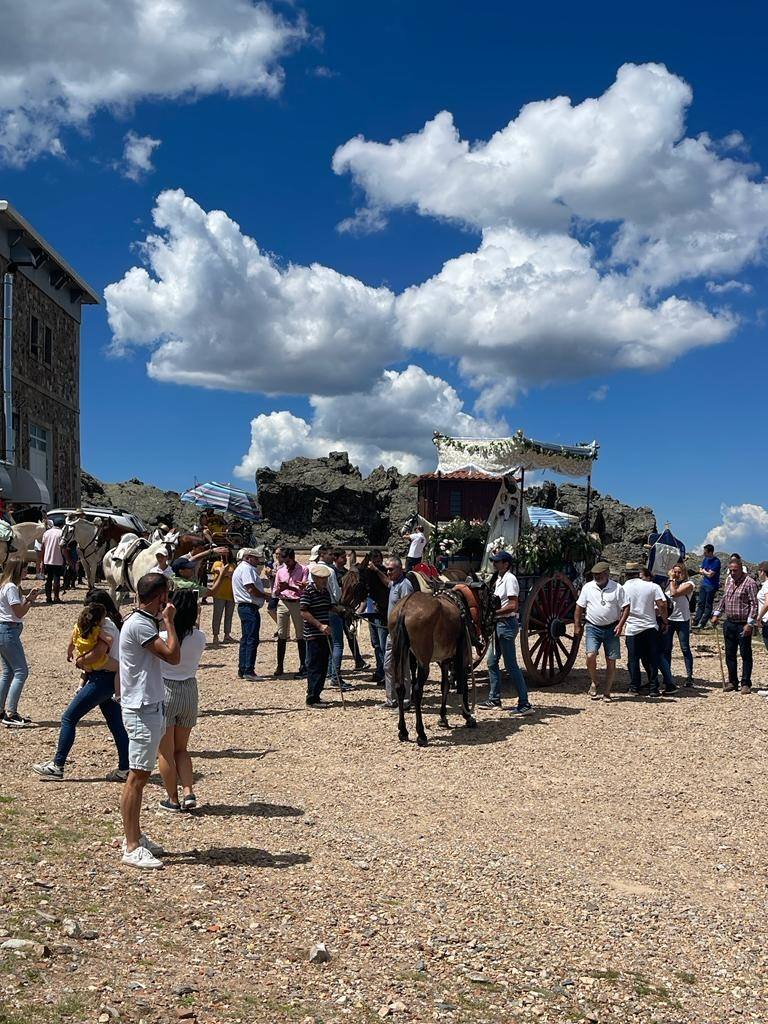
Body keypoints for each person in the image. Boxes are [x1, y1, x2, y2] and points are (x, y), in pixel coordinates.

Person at [119, 572, 181, 869]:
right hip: (141, 707)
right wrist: (169, 621)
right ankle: (131, 846)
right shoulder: (142, 625)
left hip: (147, 704)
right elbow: (172, 656)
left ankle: (136, 836)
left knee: (140, 776)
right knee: (137, 777)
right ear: (160, 598)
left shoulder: (139, 620)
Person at [32, 590, 129, 781]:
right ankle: (126, 767)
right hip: (107, 678)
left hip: (102, 679)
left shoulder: (105, 626)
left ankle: (57, 766)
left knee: (69, 717)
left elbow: (99, 654)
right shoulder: (105, 624)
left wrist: (80, 661)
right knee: (116, 723)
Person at [157, 589, 206, 812]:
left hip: (166, 688)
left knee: (165, 751)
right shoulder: (200, 637)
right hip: (189, 689)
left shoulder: (164, 636)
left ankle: (172, 798)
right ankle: (188, 791)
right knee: (182, 750)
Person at [479, 550, 533, 714]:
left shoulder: (510, 579)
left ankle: (524, 703)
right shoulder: (499, 579)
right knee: (491, 662)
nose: (494, 564)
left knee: (511, 666)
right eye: (494, 561)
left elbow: (513, 605)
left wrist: (494, 613)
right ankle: (494, 698)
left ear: (506, 564)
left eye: (497, 561)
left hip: (506, 624)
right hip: (499, 625)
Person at [574, 560, 629, 702]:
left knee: (611, 660)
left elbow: (626, 607)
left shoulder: (618, 588)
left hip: (612, 628)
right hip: (593, 626)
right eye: (595, 575)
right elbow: (579, 607)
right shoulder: (588, 587)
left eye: (599, 574)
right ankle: (594, 681)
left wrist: (621, 625)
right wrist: (577, 625)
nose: (597, 577)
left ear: (607, 574)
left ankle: (607, 692)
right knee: (590, 655)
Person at [711, 554, 759, 693]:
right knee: (730, 654)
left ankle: (746, 683)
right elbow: (724, 599)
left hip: (743, 623)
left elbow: (754, 605)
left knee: (745, 654)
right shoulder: (729, 581)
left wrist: (750, 623)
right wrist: (716, 613)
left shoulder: (749, 583)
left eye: (735, 570)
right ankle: (733, 681)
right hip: (730, 622)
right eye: (730, 570)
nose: (732, 573)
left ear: (741, 569)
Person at [0, 562, 40, 727]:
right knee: (21, 671)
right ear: (17, 570)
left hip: (5, 629)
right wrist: (30, 601)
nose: (26, 571)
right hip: (8, 630)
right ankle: (11, 713)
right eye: (24, 569)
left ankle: (1, 710)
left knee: (8, 672)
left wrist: (28, 598)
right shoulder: (11, 588)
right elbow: (19, 612)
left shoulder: (6, 586)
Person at [621, 562, 669, 697]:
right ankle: (654, 688)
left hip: (632, 627)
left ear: (627, 574)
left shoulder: (623, 587)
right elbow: (662, 604)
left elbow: (620, 606)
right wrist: (665, 621)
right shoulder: (653, 586)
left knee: (633, 659)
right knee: (652, 658)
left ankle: (634, 687)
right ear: (638, 573)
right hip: (650, 625)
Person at [382, 556, 414, 709]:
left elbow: (408, 609)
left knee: (402, 667)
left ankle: (406, 701)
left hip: (401, 634)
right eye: (387, 569)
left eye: (391, 569)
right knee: (388, 666)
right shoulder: (394, 584)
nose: (388, 572)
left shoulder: (405, 585)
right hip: (392, 633)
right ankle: (391, 699)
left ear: (400, 569)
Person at [300, 563, 333, 706]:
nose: (325, 581)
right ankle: (311, 697)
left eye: (326, 578)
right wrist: (319, 625)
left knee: (323, 665)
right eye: (322, 578)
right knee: (315, 666)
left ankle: (317, 694)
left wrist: (341, 610)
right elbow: (303, 611)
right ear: (314, 578)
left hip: (325, 634)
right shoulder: (308, 591)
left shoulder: (325, 592)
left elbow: (328, 606)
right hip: (314, 634)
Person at [273, 547, 308, 677]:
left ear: (293, 558)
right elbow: (275, 590)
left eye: (287, 561)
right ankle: (280, 665)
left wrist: (290, 587)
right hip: (283, 602)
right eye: (284, 561)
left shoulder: (303, 569)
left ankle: (303, 665)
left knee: (300, 634)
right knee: (281, 634)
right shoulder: (280, 571)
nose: (286, 564)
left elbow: (304, 591)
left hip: (297, 602)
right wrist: (278, 590)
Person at [232, 548, 265, 682]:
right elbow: (250, 588)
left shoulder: (241, 568)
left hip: (244, 606)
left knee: (246, 638)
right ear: (248, 557)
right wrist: (266, 595)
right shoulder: (247, 569)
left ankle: (243, 668)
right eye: (255, 558)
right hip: (249, 606)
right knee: (251, 638)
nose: (257, 561)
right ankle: (248, 670)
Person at [662, 563, 694, 686]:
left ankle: (689, 676)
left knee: (685, 648)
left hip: (682, 619)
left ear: (684, 573)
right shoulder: (669, 584)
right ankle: (667, 676)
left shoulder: (689, 584)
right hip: (670, 619)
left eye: (679, 572)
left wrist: (671, 579)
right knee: (667, 648)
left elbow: (674, 593)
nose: (676, 574)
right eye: (674, 571)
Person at [210, 548, 236, 644]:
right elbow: (219, 571)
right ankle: (215, 635)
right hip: (218, 593)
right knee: (217, 615)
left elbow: (231, 574)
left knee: (229, 615)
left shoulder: (233, 565)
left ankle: (227, 635)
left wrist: (225, 573)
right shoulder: (216, 563)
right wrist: (228, 574)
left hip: (231, 593)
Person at [693, 544, 721, 628]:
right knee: (701, 603)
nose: (704, 554)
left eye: (705, 552)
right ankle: (696, 621)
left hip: (712, 585)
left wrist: (704, 572)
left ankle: (703, 623)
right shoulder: (705, 559)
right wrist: (706, 572)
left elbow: (710, 575)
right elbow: (701, 570)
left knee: (708, 605)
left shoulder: (716, 561)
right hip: (704, 584)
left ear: (710, 552)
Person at [41, 518, 66, 604]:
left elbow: (43, 547)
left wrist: (42, 560)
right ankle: (56, 597)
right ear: (62, 525)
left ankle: (48, 597)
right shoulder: (61, 533)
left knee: (49, 579)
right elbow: (63, 548)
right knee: (56, 579)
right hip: (58, 559)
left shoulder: (46, 533)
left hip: (47, 559)